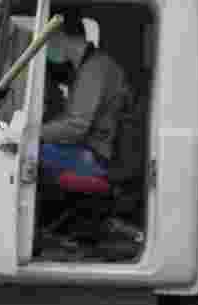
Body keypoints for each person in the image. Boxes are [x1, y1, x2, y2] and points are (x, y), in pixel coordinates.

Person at [38, 14, 132, 185]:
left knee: (29, 152)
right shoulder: (90, 67)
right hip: (92, 149)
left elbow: (76, 126)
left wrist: (33, 133)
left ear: (58, 36)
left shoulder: (94, 70)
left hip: (96, 156)